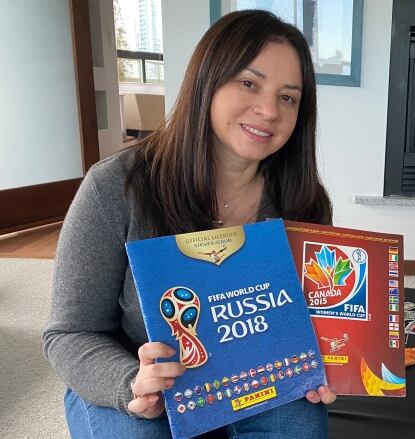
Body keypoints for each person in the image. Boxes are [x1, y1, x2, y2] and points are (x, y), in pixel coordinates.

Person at [43, 10, 335, 439]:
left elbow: (322, 319)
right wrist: (130, 384)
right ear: (207, 83)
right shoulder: (115, 187)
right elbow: (69, 333)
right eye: (249, 83)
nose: (269, 110)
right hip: (136, 381)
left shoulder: (305, 201)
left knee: (301, 430)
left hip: (258, 381)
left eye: (288, 97)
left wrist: (327, 369)